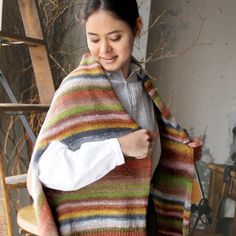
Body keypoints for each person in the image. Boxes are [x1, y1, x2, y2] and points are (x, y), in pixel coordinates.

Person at [27, 0, 199, 235]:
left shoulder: (143, 85)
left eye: (115, 38)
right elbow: (46, 171)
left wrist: (183, 149)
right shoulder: (76, 89)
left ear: (137, 27)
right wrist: (117, 148)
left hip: (141, 219)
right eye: (94, 39)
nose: (104, 50)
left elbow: (151, 151)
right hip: (94, 225)